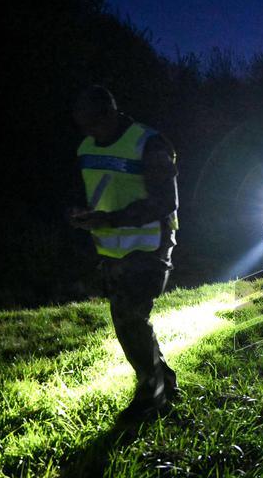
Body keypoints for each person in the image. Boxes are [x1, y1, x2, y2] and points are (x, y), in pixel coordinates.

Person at [69, 86, 180, 417]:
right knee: (132, 319)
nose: (90, 131)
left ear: (111, 113)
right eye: (83, 124)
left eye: (94, 122)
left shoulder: (149, 143)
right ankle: (164, 382)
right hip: (112, 248)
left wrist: (112, 219)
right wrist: (77, 213)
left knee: (130, 319)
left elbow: (166, 201)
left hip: (150, 245)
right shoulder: (86, 147)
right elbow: (91, 190)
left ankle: (152, 397)